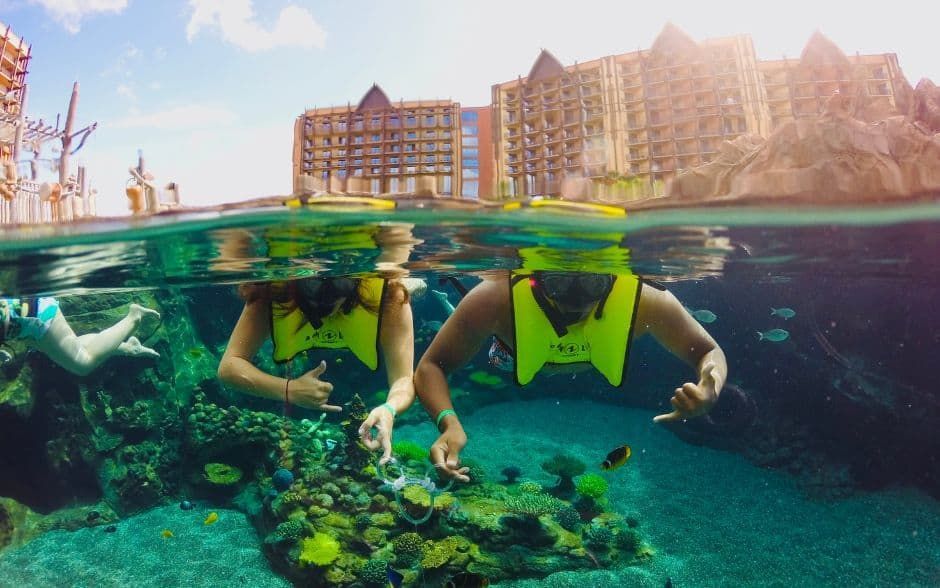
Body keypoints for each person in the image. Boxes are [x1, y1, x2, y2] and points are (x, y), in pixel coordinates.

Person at [415, 267, 728, 482]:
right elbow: (432, 366)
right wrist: (448, 423)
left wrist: (709, 391)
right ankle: (479, 330)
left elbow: (707, 351)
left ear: (613, 278)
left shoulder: (646, 300)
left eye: (592, 283)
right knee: (499, 356)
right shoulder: (496, 298)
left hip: (572, 355)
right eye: (559, 282)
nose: (575, 300)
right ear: (535, 276)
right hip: (512, 352)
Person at [218, 276, 419, 464]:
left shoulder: (389, 296)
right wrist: (289, 390)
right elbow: (229, 367)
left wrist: (390, 409)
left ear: (358, 280)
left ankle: (417, 284)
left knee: (408, 287)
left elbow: (403, 379)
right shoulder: (272, 292)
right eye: (313, 282)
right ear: (296, 277)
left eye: (340, 282)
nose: (327, 293)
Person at [0, 297, 160, 376]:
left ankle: (133, 317)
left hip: (33, 316)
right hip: (26, 322)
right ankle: (128, 347)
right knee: (77, 348)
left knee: (83, 363)